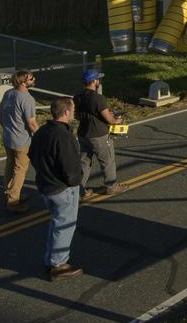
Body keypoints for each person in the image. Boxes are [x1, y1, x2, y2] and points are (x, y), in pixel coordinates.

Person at [30, 97, 83, 280]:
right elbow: (70, 169)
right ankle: (58, 264)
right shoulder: (63, 137)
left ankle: (51, 258)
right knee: (65, 225)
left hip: (45, 185)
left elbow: (32, 154)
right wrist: (75, 182)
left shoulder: (42, 131)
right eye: (73, 109)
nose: (74, 112)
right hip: (62, 189)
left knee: (56, 222)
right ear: (66, 112)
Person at [74, 69, 126, 199]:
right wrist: (117, 120)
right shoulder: (98, 98)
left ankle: (79, 190)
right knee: (107, 161)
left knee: (84, 163)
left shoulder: (77, 97)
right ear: (94, 81)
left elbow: (77, 116)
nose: (99, 81)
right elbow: (109, 119)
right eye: (98, 79)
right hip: (98, 135)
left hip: (83, 134)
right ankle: (111, 186)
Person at [0, 70, 39, 213]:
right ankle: (13, 201)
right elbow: (32, 123)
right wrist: (41, 136)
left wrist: (7, 128)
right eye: (31, 78)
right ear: (23, 82)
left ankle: (10, 192)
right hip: (21, 141)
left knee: (10, 165)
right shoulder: (27, 99)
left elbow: (0, 114)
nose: (34, 79)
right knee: (20, 170)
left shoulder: (8, 94)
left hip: (8, 137)